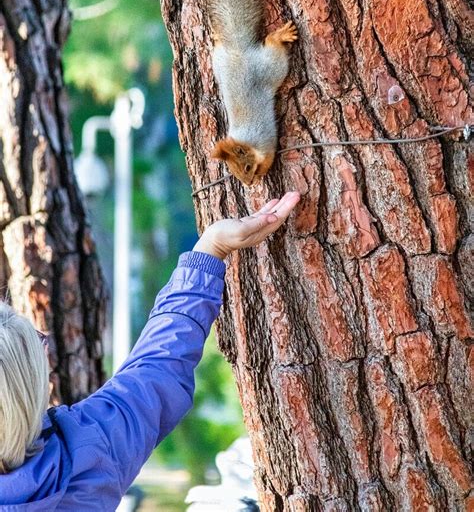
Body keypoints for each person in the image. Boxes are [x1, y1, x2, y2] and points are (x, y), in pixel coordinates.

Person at [0, 192, 300, 511]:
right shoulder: (83, 452)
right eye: (35, 345)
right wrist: (211, 250)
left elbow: (154, 372)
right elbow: (157, 370)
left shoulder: (84, 447)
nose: (43, 337)